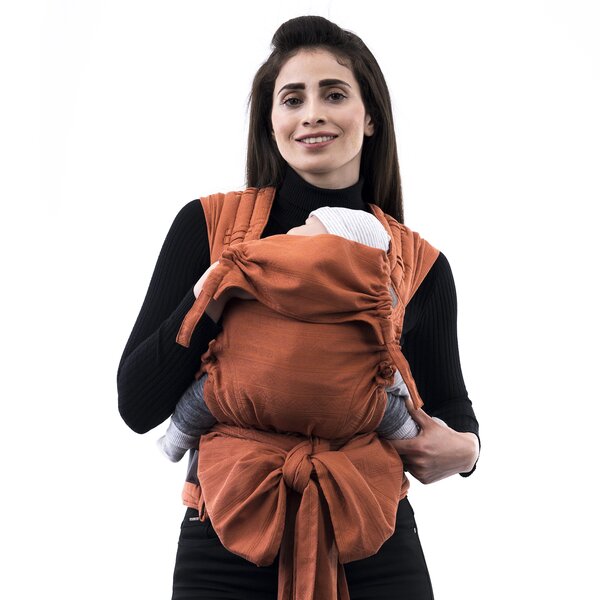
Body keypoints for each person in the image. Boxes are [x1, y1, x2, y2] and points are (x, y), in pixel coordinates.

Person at [117, 15, 480, 600]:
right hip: (225, 535)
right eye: (293, 99)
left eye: (334, 94)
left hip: (373, 536)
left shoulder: (419, 264)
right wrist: (218, 288)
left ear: (370, 116)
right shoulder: (209, 227)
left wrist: (467, 451)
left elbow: (450, 403)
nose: (312, 113)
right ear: (272, 122)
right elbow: (137, 404)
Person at [157, 206, 420, 464]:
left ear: (329, 245)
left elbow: (226, 279)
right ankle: (413, 436)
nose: (295, 229)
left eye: (307, 226)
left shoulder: (266, 264)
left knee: (202, 397)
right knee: (387, 409)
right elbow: (387, 360)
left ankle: (173, 444)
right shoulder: (371, 303)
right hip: (347, 404)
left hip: (239, 387)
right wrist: (403, 391)